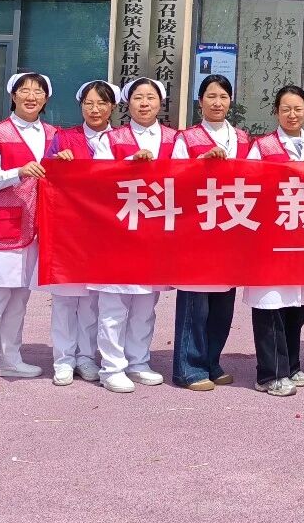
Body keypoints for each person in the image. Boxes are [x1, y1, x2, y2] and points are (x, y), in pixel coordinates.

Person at [0, 71, 57, 390]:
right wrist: (18, 171)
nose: (31, 96)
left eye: (38, 91)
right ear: (13, 96)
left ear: (46, 98)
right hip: (0, 230)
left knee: (18, 301)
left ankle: (10, 358)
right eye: (24, 90)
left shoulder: (54, 135)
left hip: (36, 230)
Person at [92, 77, 185, 393]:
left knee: (146, 304)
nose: (144, 103)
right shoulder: (112, 139)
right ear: (127, 103)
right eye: (138, 98)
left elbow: (185, 176)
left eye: (150, 97)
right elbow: (96, 178)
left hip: (155, 232)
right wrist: (130, 162)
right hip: (117, 231)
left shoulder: (174, 139)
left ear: (161, 102)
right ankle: (111, 367)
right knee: (114, 304)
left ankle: (138, 361)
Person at [245, 85, 304, 396]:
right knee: (270, 304)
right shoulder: (262, 147)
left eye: (298, 109)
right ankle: (269, 374)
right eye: (285, 109)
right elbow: (247, 185)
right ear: (276, 112)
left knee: (296, 306)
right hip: (270, 238)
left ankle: (290, 365)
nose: (292, 114)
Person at [171, 75, 247, 391]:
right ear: (200, 101)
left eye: (223, 97)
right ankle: (188, 367)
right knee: (195, 302)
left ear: (231, 101)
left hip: (231, 228)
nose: (217, 103)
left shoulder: (243, 139)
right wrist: (200, 163)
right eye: (211, 96)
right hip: (197, 230)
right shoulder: (186, 139)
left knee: (222, 303)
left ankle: (212, 361)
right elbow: (173, 177)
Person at [41, 79, 119, 387]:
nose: (95, 109)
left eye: (101, 103)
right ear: (81, 106)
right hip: (69, 231)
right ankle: (63, 359)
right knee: (65, 298)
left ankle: (86, 357)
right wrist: (56, 162)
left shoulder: (121, 139)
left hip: (104, 232)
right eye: (89, 103)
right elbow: (44, 174)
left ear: (113, 107)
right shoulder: (64, 138)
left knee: (92, 301)